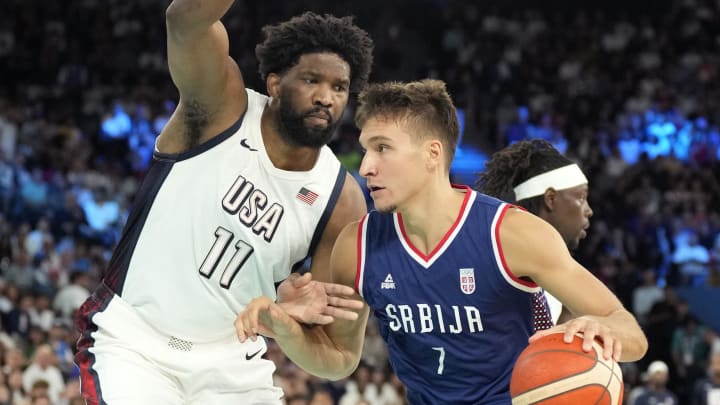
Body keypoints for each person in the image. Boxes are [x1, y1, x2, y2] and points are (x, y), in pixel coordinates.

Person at [236, 79, 648, 404]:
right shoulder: (356, 245)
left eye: (383, 149)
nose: (367, 167)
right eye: (365, 150)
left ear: (433, 154)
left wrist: (602, 328)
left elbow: (630, 333)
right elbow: (339, 360)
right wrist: (285, 329)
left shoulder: (512, 233)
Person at [73, 3, 374, 404]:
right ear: (275, 84)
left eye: (339, 87)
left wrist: (284, 326)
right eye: (311, 80)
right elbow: (183, 21)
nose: (326, 97)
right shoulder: (223, 106)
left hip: (232, 366)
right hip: (134, 343)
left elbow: (339, 357)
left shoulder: (342, 200)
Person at [476, 139, 593, 328]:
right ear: (551, 199)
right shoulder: (498, 259)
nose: (589, 210)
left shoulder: (560, 279)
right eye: (581, 198)